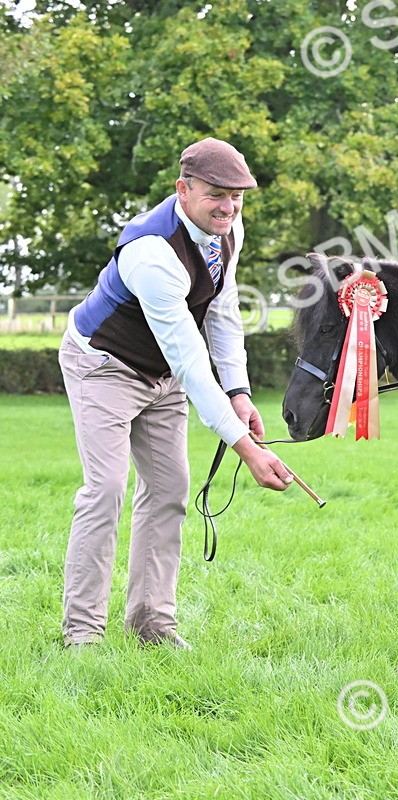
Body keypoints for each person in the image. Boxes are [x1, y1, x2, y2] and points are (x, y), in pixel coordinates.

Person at [59, 137, 293, 649]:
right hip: (103, 365)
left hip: (161, 376)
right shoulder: (151, 253)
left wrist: (238, 390)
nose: (228, 207)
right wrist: (247, 451)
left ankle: (152, 624)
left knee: (169, 491)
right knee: (106, 490)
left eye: (237, 197)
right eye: (216, 194)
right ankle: (82, 635)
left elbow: (223, 312)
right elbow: (190, 360)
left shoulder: (226, 230)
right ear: (182, 190)